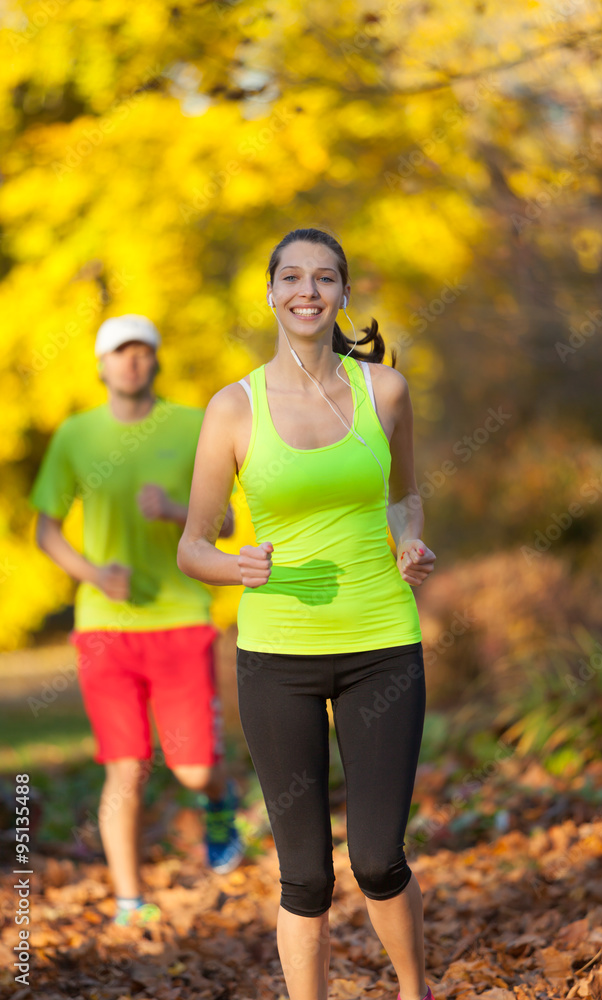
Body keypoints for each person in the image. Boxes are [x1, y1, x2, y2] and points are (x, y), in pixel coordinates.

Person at [177, 229, 436, 1000]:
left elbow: (405, 496)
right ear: (270, 293)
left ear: (343, 294)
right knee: (304, 875)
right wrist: (233, 565)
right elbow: (193, 542)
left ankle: (414, 990)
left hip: (382, 644)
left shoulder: (383, 391)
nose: (308, 291)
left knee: (379, 859)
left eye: (325, 278)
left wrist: (411, 543)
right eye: (291, 277)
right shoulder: (232, 408)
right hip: (276, 658)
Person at [30, 314, 243, 926]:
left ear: (155, 361)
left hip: (180, 619)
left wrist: (177, 510)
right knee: (126, 764)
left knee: (194, 766)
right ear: (101, 365)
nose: (131, 362)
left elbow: (225, 524)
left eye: (142, 352)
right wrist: (93, 574)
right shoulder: (75, 436)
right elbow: (45, 530)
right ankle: (129, 902)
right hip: (104, 627)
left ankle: (219, 800)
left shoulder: (192, 424)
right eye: (119, 353)